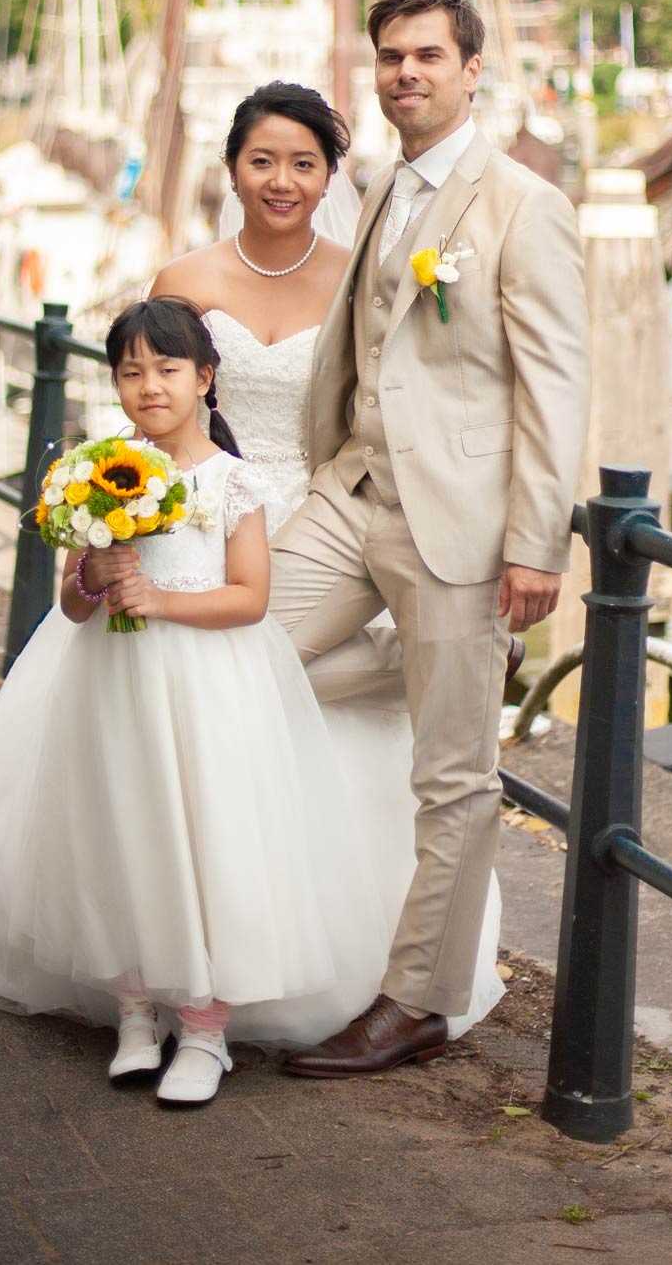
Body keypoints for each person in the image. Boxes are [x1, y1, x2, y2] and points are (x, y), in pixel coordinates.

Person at [0, 297, 395, 1107]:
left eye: (166, 369)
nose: (148, 386)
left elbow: (250, 598)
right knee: (123, 827)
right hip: (116, 684)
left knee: (204, 836)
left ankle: (204, 1027)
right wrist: (96, 571)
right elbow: (73, 604)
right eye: (130, 371)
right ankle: (135, 1012)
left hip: (208, 688)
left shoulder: (231, 481)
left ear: (205, 378)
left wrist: (158, 599)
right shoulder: (99, 472)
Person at [267, 0, 591, 1078]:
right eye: (390, 57)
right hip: (349, 497)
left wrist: (536, 543)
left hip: (457, 528)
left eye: (426, 56)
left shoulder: (520, 205)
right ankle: (412, 666)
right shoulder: (375, 186)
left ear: (469, 71)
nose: (405, 72)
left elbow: (554, 385)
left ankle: (416, 1002)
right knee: (234, 651)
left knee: (453, 778)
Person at [141, 79, 507, 1041]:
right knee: (196, 672)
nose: (282, 179)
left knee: (255, 665)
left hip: (323, 513)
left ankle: (349, 965)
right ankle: (399, 671)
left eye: (304, 162)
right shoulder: (183, 277)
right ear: (232, 169)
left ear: (329, 174)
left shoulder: (362, 277)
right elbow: (152, 406)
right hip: (208, 512)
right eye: (263, 160)